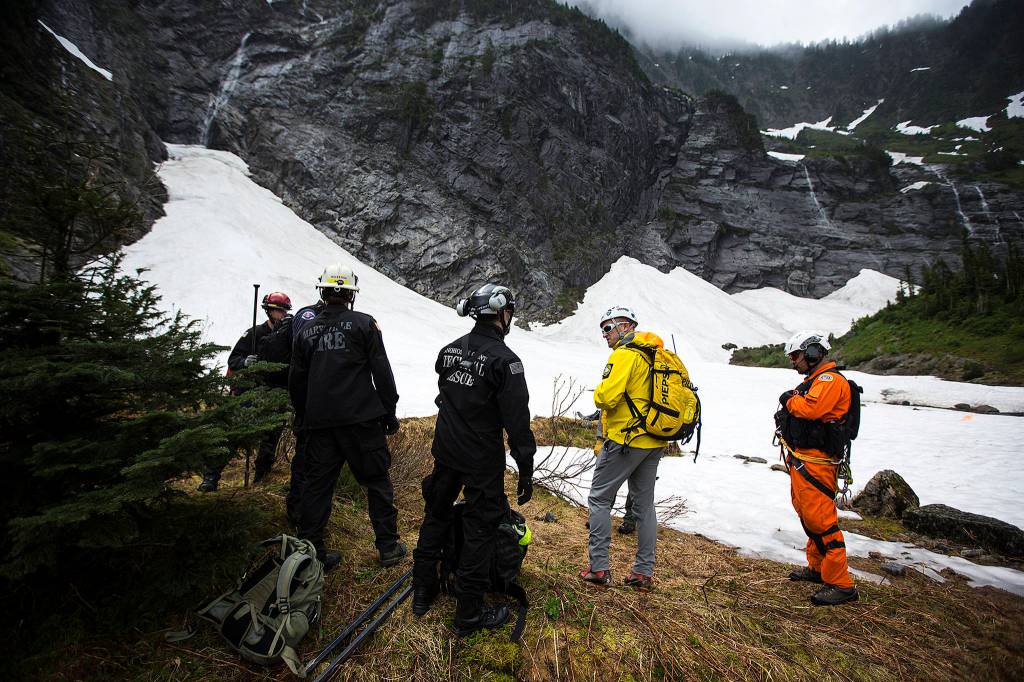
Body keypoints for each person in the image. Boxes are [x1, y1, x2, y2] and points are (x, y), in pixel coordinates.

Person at [411, 283, 536, 637]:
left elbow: (448, 396)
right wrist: (525, 468)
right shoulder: (506, 362)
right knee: (480, 531)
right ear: (501, 313)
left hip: (446, 451)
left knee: (435, 515)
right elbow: (517, 422)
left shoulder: (448, 352)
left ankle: (423, 590)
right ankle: (468, 615)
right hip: (482, 460)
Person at [288, 263, 405, 573]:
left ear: (323, 293)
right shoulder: (365, 325)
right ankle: (388, 547)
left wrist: (303, 418)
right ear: (351, 295)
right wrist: (388, 412)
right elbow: (382, 373)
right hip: (362, 421)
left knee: (318, 487)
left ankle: (312, 554)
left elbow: (296, 381)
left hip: (320, 425)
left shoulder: (305, 333)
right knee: (377, 482)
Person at [580, 307, 666, 592]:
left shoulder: (624, 355)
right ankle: (643, 572)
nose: (604, 334)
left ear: (625, 326)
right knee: (644, 507)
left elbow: (606, 397)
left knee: (600, 499)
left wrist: (598, 391)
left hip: (625, 439)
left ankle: (599, 567)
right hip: (653, 440)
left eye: (608, 328)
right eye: (602, 329)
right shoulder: (655, 355)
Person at [776, 330, 859, 606]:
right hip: (805, 458)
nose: (793, 361)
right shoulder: (814, 381)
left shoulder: (828, 380)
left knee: (822, 521)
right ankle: (818, 567)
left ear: (813, 353)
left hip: (817, 462)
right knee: (808, 515)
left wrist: (788, 399)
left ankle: (841, 583)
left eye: (796, 355)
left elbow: (810, 410)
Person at [198, 291, 293, 492]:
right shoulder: (253, 334)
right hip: (250, 393)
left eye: (283, 311)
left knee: (269, 441)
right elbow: (233, 360)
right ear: (268, 311)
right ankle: (211, 477)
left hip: (276, 394)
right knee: (234, 435)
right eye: (277, 311)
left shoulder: (289, 339)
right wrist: (245, 362)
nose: (281, 315)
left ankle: (261, 481)